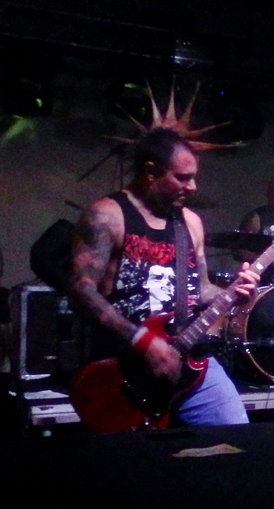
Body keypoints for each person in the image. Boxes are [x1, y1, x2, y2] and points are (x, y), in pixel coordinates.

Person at [69, 128, 260, 426]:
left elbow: (201, 290)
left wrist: (235, 291)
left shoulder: (190, 223)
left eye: (193, 177)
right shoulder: (108, 215)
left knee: (235, 441)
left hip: (188, 358)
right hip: (126, 368)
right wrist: (143, 341)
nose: (192, 186)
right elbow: (81, 291)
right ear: (151, 172)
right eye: (182, 178)